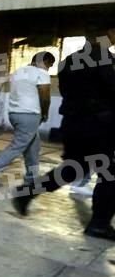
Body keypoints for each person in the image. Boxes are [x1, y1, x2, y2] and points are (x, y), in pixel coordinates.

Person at [12, 28, 115, 241]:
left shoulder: (69, 60)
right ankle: (99, 224)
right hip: (99, 127)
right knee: (109, 174)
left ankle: (28, 192)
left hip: (73, 124)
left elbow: (68, 91)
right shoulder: (105, 59)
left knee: (73, 168)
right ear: (107, 33)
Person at [0, 52, 55, 186]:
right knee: (18, 145)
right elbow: (45, 96)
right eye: (49, 65)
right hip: (29, 114)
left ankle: (32, 177)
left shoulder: (18, 72)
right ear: (45, 62)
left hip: (14, 113)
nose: (48, 68)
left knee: (33, 146)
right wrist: (45, 113)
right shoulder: (41, 73)